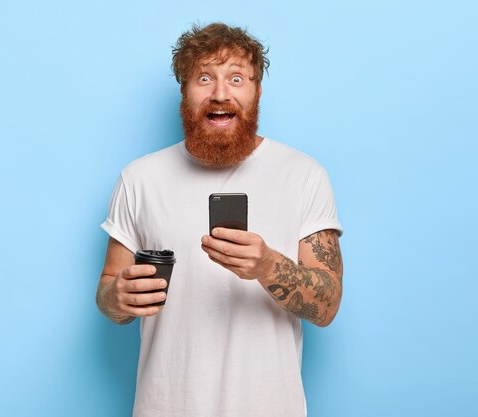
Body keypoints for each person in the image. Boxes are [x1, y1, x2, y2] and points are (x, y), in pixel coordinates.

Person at [96, 22, 344, 417]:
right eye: (204, 77)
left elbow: (327, 305)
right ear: (185, 92)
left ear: (257, 91)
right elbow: (109, 291)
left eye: (236, 78)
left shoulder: (304, 175)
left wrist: (266, 265)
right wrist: (117, 299)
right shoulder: (139, 179)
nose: (220, 93)